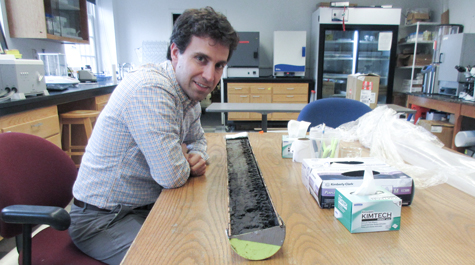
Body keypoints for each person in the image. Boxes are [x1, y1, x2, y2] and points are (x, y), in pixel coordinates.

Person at [68, 7, 238, 264]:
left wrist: (193, 154)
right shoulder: (151, 89)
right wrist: (182, 161)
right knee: (181, 259)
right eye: (201, 59)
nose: (210, 76)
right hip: (103, 220)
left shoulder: (188, 94)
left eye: (219, 65)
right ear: (175, 53)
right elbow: (171, 175)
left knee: (212, 235)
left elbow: (199, 141)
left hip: (145, 207)